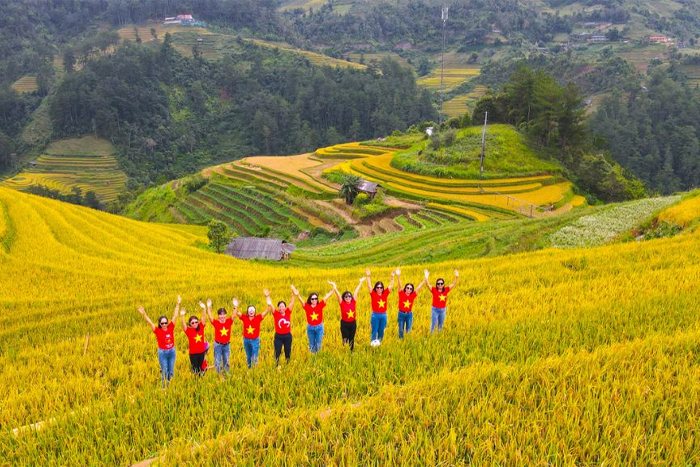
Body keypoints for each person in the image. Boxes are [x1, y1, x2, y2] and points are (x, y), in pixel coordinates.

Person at [137, 295, 180, 387]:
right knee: (164, 371)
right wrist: (144, 313)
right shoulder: (157, 331)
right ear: (160, 324)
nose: (164, 324)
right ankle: (164, 388)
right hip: (163, 353)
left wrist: (177, 304)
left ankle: (170, 386)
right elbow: (149, 322)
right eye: (162, 323)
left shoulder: (171, 327)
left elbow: (175, 315)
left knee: (171, 371)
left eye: (166, 322)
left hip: (172, 351)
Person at [233, 291, 272, 368]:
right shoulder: (244, 318)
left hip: (255, 340)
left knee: (254, 357)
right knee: (248, 356)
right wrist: (235, 305)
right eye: (250, 310)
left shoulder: (258, 318)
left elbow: (267, 310)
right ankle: (249, 369)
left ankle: (254, 371)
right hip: (246, 340)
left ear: (254, 312)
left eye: (253, 311)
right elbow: (236, 312)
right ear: (247, 312)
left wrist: (267, 298)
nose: (251, 312)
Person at [291, 284, 334, 354]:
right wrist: (297, 294)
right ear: (310, 299)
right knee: (311, 344)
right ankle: (312, 358)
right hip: (310, 328)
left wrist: (333, 289)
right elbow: (301, 300)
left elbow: (327, 297)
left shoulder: (320, 305)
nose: (314, 300)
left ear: (317, 299)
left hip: (319, 327)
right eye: (312, 299)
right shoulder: (307, 307)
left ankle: (318, 357)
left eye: (316, 298)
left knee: (318, 344)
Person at [328, 277, 365, 351]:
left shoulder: (353, 302)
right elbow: (338, 295)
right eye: (346, 296)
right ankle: (345, 351)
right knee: (345, 339)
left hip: (353, 323)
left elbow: (356, 292)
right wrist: (334, 287)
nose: (348, 297)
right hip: (344, 324)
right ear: (344, 298)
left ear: (351, 297)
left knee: (352, 338)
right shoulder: (342, 303)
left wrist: (360, 282)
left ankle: (351, 351)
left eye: (349, 296)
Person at [201, 298, 233, 374]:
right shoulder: (216, 323)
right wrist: (208, 307)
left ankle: (227, 374)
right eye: (220, 315)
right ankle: (218, 375)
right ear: (218, 316)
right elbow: (210, 316)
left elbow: (234, 315)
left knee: (226, 360)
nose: (222, 316)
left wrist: (235, 306)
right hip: (218, 345)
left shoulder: (229, 321)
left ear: (226, 314)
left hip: (226, 345)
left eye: (223, 314)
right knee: (217, 361)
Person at [366, 268, 395, 347]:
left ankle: (379, 343)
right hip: (375, 315)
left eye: (381, 287)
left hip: (383, 315)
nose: (379, 289)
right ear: (375, 288)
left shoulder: (385, 293)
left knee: (381, 330)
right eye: (377, 287)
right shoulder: (373, 294)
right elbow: (369, 285)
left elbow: (391, 286)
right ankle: (372, 344)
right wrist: (368, 276)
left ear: (383, 288)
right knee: (374, 330)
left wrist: (392, 277)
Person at [395, 268, 427, 339]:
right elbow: (399, 285)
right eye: (407, 288)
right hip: (401, 314)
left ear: (412, 290)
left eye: (410, 288)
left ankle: (407, 342)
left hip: (409, 314)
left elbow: (418, 287)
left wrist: (425, 279)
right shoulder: (401, 294)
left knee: (408, 330)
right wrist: (398, 276)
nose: (409, 289)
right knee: (400, 330)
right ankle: (401, 342)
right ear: (405, 288)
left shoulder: (412, 296)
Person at [425, 269, 459, 333]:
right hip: (435, 310)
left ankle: (439, 336)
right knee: (433, 324)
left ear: (443, 284)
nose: (440, 285)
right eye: (438, 283)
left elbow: (453, 284)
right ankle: (431, 336)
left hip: (443, 310)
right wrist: (426, 277)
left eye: (441, 283)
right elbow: (428, 285)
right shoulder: (434, 290)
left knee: (440, 325)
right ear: (436, 284)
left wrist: (456, 276)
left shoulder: (446, 290)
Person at [180, 299, 208, 375]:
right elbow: (182, 323)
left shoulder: (201, 327)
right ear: (190, 324)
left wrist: (203, 308)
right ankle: (196, 381)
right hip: (193, 354)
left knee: (201, 369)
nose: (195, 323)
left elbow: (204, 316)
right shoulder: (188, 330)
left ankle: (201, 380)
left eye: (196, 322)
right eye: (192, 323)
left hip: (202, 352)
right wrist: (182, 315)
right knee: (195, 370)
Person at [272, 291, 295, 366]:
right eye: (280, 306)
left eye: (283, 306)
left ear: (285, 307)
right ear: (278, 308)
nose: (281, 308)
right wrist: (267, 297)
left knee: (287, 350)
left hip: (287, 336)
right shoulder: (276, 314)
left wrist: (293, 294)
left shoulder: (288, 312)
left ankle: (288, 363)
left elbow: (291, 303)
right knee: (277, 351)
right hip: (278, 336)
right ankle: (276, 365)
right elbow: (271, 305)